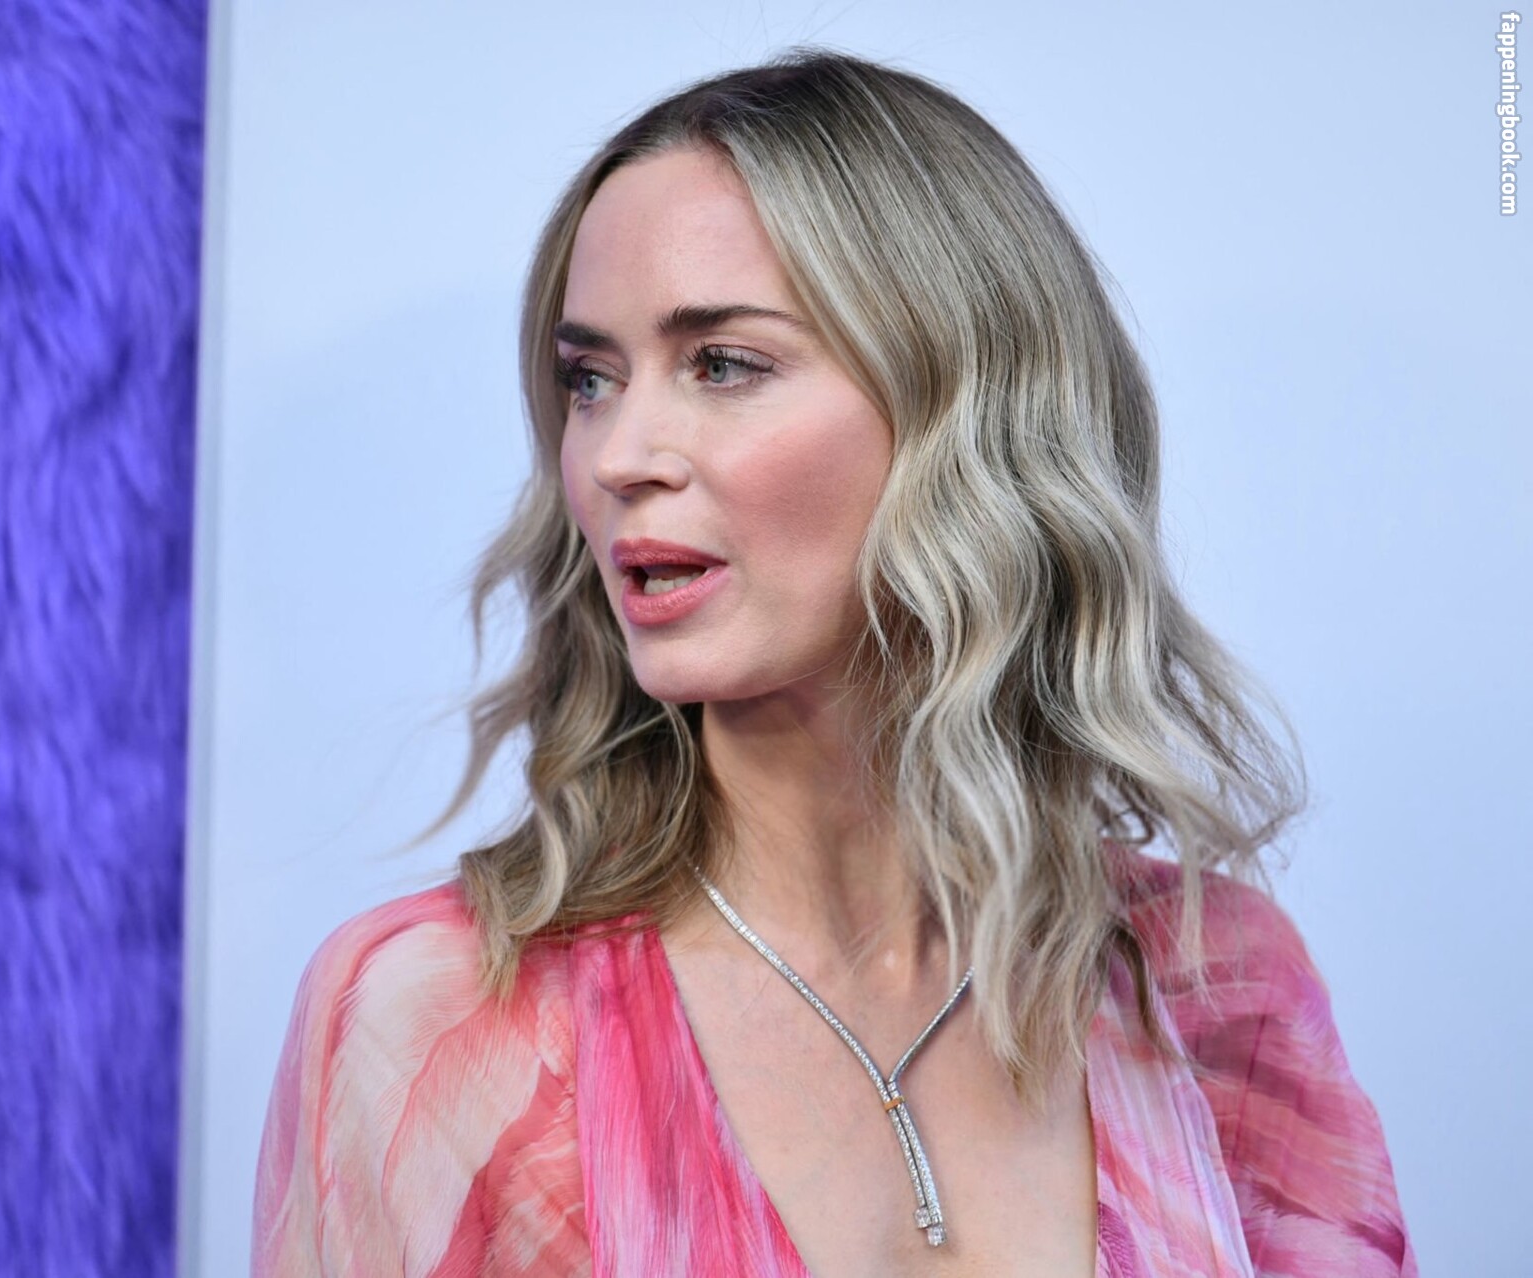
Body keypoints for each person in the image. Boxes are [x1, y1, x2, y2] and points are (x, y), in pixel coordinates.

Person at [251, 48, 1416, 1277]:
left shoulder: (1219, 989)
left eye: (723, 364)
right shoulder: (439, 1020)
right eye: (589, 380)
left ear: (964, 407)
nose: (618, 456)